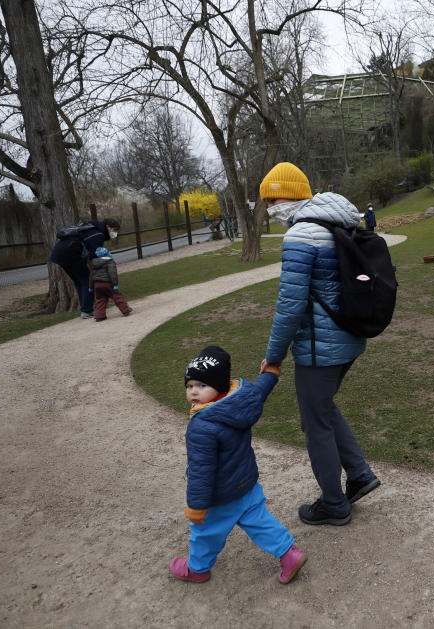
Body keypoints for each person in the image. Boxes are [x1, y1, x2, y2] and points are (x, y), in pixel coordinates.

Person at [260, 162, 381, 527]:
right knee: (323, 409)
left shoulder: (300, 235)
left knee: (315, 423)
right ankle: (359, 474)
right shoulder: (338, 220)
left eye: (273, 198)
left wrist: (273, 357)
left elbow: (290, 305)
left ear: (292, 195)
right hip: (348, 336)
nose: (270, 207)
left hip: (319, 348)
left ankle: (333, 503)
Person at [170, 345, 307, 585]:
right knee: (259, 520)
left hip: (220, 496)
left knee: (204, 533)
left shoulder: (201, 426)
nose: (194, 392)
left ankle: (198, 569)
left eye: (202, 386)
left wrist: (197, 506)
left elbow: (202, 471)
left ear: (219, 387)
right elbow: (259, 391)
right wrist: (271, 372)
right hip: (245, 482)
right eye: (190, 386)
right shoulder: (241, 398)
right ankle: (289, 554)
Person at [49, 218, 120, 319]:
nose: (115, 233)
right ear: (108, 227)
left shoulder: (91, 228)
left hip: (60, 254)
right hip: (70, 254)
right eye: (115, 230)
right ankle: (87, 310)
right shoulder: (98, 234)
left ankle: (85, 308)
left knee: (79, 281)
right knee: (86, 281)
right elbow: (94, 254)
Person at [88, 247, 132, 322]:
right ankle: (125, 310)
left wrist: (91, 287)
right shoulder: (110, 262)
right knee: (116, 296)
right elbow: (112, 274)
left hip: (97, 284)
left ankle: (99, 316)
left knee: (100, 299)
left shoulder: (94, 263)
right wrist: (115, 284)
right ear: (107, 253)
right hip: (107, 283)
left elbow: (91, 276)